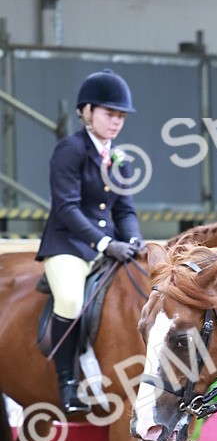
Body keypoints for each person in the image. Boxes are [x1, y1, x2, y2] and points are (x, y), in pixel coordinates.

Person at [36, 69, 146, 416]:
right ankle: (68, 385)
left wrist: (133, 238)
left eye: (121, 117)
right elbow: (66, 208)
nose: (116, 122)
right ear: (87, 112)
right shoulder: (69, 150)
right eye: (109, 114)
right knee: (69, 299)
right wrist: (104, 244)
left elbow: (125, 209)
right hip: (67, 246)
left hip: (109, 245)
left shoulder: (121, 159)